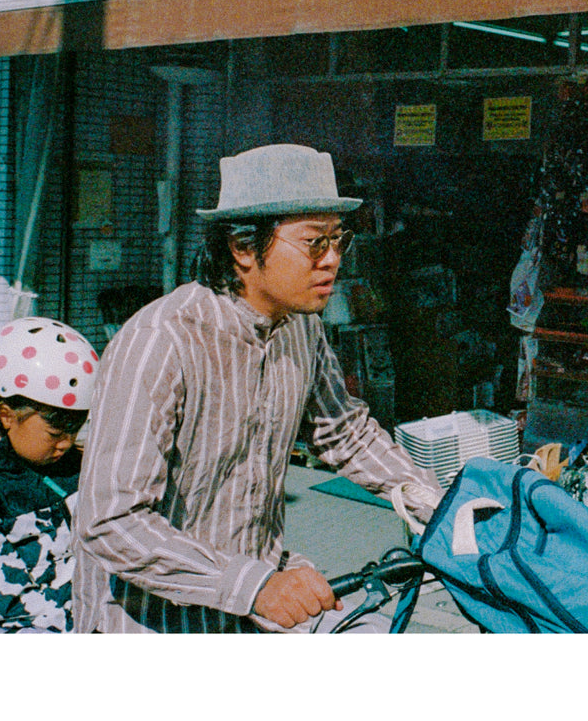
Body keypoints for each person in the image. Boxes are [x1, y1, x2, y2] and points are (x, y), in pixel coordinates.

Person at [72, 143, 441, 633]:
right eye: (314, 243)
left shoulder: (300, 328)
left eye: (339, 240)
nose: (333, 260)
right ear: (243, 248)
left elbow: (344, 428)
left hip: (246, 604)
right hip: (150, 619)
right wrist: (255, 585)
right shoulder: (161, 342)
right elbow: (110, 521)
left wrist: (433, 502)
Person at [0, 316, 99, 632]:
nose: (66, 443)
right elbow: (10, 605)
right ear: (7, 415)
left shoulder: (73, 468)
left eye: (75, 429)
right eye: (55, 432)